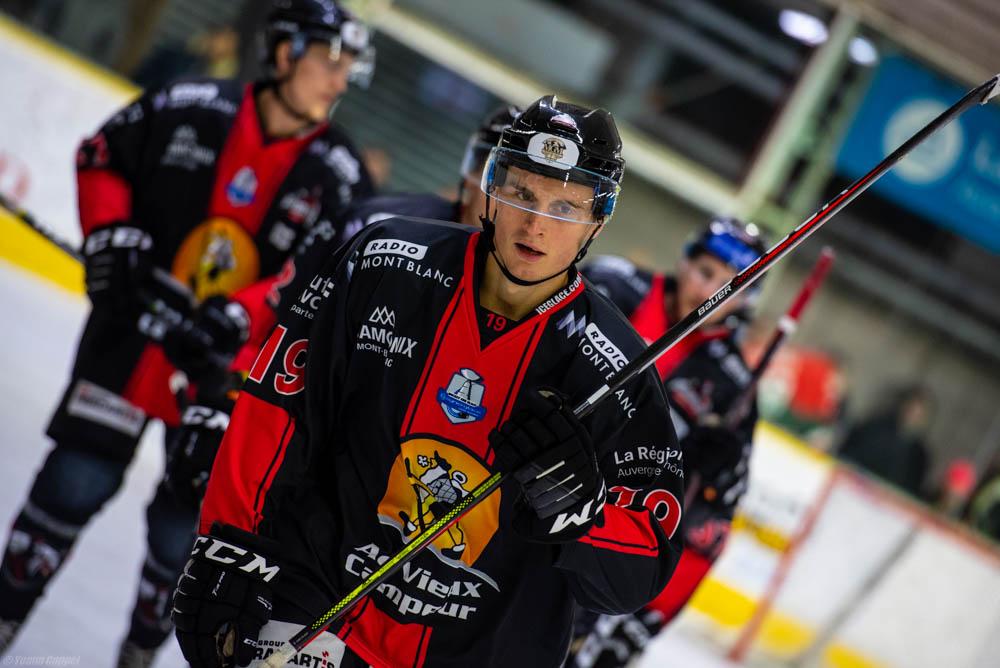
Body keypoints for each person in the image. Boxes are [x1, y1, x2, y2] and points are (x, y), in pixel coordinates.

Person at [171, 95, 685, 668]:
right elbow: (278, 409)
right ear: (490, 184)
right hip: (315, 610)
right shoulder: (383, 263)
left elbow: (639, 574)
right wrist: (229, 541)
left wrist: (582, 512)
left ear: (598, 219)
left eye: (565, 207)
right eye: (522, 193)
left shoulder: (617, 372)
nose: (536, 224)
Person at [0, 1, 375, 664]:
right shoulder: (191, 103)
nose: (341, 80)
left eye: (348, 67)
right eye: (330, 61)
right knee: (72, 484)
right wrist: (111, 230)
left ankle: (136, 656)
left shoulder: (342, 172)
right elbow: (103, 156)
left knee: (185, 532)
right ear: (285, 54)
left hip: (226, 378)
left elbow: (330, 271)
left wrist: (244, 314)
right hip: (132, 343)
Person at [566, 217, 766, 667]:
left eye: (729, 286)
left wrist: (716, 469)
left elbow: (712, 519)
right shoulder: (611, 284)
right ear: (685, 260)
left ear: (746, 300)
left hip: (603, 540)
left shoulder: (734, 387)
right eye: (705, 271)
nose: (709, 291)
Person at [837, 385, 932, 498]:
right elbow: (849, 457)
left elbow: (912, 491)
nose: (913, 415)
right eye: (911, 409)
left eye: (919, 413)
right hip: (854, 491)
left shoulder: (918, 454)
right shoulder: (874, 429)